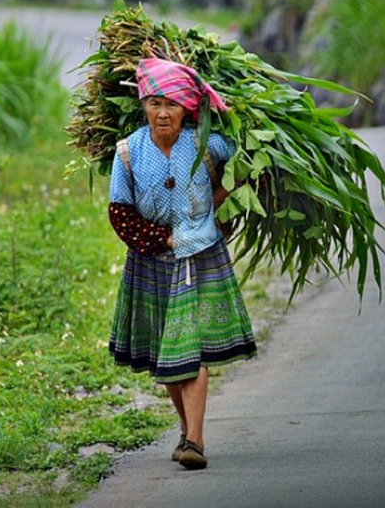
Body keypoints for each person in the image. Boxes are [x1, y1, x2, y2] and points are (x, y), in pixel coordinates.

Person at [107, 57, 258, 470]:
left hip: (202, 254)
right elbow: (120, 212)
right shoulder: (128, 153)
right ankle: (186, 431)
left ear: (188, 110)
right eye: (154, 103)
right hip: (151, 259)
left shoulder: (208, 144)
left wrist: (219, 207)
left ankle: (194, 439)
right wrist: (162, 238)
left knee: (188, 348)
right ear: (143, 107)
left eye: (171, 104)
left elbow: (248, 169)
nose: (162, 113)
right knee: (166, 354)